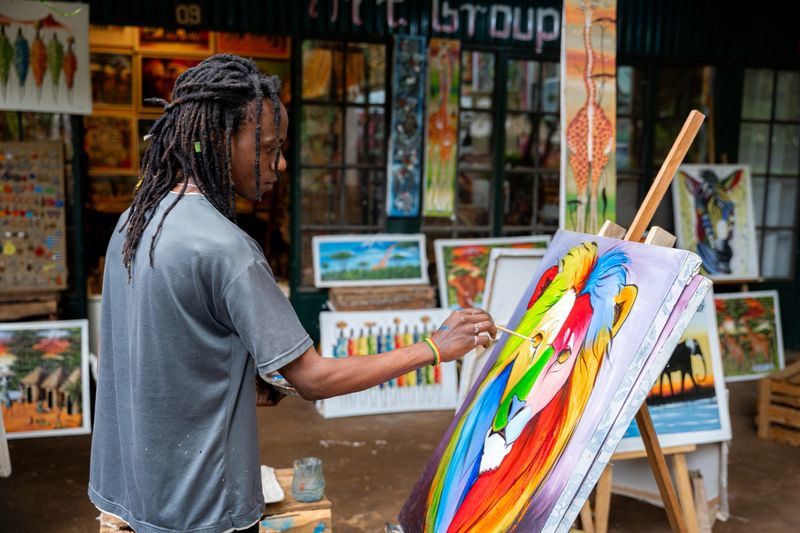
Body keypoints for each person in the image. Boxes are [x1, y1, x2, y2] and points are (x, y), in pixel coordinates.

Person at [88, 54, 496, 533]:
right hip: (201, 509)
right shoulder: (228, 249)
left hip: (131, 493)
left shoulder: (135, 221)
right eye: (268, 147)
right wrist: (434, 348)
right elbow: (313, 379)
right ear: (219, 140)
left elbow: (163, 347)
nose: (279, 163)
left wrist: (239, 377)